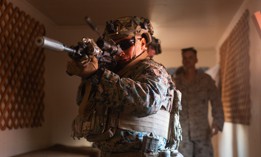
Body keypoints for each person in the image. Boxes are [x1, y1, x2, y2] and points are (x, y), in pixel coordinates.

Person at [66, 16, 182, 157]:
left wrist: (99, 75)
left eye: (126, 44)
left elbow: (146, 102)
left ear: (143, 42)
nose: (119, 51)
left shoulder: (153, 70)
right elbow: (83, 104)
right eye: (112, 46)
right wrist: (87, 75)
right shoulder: (113, 72)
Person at [173, 47, 224, 157]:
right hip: (182, 135)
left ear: (196, 59)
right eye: (185, 58)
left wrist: (217, 122)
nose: (187, 61)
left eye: (191, 57)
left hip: (202, 133)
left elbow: (217, 102)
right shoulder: (176, 82)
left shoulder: (206, 80)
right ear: (182, 61)